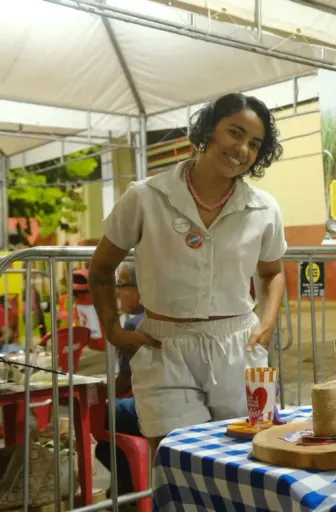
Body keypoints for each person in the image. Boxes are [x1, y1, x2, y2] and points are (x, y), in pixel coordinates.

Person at [89, 93, 287, 454]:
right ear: (209, 131)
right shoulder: (145, 197)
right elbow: (101, 269)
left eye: (255, 143)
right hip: (163, 347)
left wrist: (268, 322)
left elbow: (273, 272)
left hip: (238, 345)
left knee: (245, 460)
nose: (242, 148)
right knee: (175, 465)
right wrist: (114, 329)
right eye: (235, 133)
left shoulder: (264, 208)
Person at [94, 262, 144, 495]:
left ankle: (129, 491)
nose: (116, 292)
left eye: (121, 285)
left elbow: (124, 380)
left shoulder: (135, 324)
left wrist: (98, 393)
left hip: (148, 406)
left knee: (100, 415)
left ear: (140, 289)